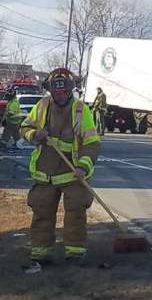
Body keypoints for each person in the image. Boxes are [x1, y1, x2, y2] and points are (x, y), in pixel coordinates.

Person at [20, 68, 101, 265]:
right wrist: (34, 135)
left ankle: (74, 253)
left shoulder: (81, 110)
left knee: (76, 212)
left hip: (72, 173)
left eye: (64, 91)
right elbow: (24, 127)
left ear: (71, 89)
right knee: (42, 211)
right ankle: (41, 253)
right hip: (45, 172)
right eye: (56, 91)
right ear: (50, 90)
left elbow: (92, 143)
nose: (60, 95)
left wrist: (83, 166)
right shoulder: (41, 106)